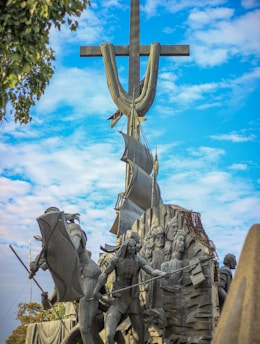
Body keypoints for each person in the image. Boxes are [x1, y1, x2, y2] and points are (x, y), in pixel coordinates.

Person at [93, 238, 168, 344]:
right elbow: (105, 274)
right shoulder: (117, 260)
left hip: (133, 300)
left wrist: (161, 273)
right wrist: (96, 290)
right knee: (109, 335)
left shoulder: (138, 260)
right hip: (119, 300)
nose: (132, 248)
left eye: (134, 246)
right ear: (126, 248)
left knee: (140, 336)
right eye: (130, 246)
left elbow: (151, 271)